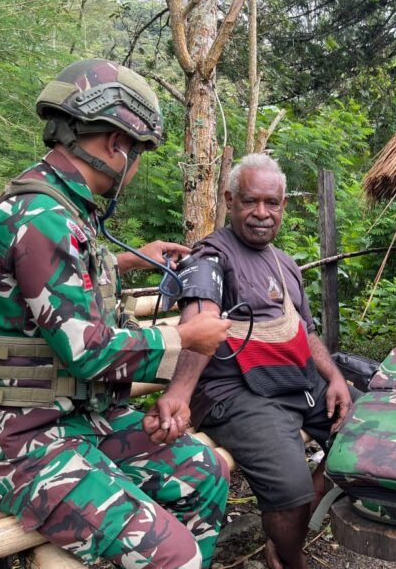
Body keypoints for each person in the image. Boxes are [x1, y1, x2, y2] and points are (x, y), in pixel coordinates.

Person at [0, 59, 232, 569]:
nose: (136, 167)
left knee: (205, 471)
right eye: (138, 154)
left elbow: (41, 283)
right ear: (116, 144)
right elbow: (88, 352)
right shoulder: (43, 217)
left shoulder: (58, 210)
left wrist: (121, 259)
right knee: (176, 556)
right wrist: (184, 339)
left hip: (75, 422)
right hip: (17, 445)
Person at [143, 153, 354, 569]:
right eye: (250, 202)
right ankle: (289, 558)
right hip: (234, 391)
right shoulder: (210, 257)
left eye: (271, 203)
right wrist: (181, 395)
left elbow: (305, 331)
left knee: (367, 433)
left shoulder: (285, 263)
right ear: (230, 200)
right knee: (289, 485)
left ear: (283, 206)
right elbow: (199, 321)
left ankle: (289, 531)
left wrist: (335, 378)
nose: (261, 213)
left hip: (294, 381)